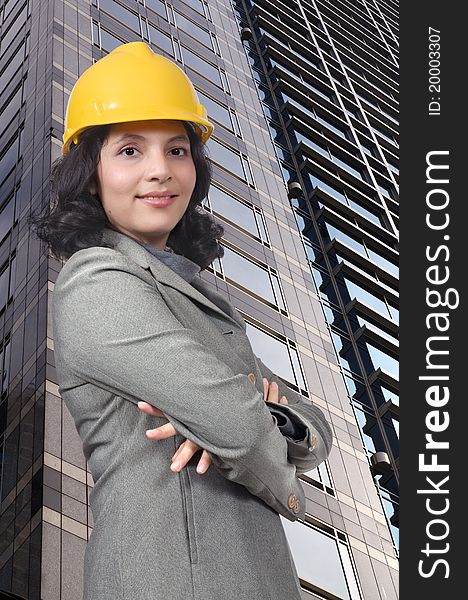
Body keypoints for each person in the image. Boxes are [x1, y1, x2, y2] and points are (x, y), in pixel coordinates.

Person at [29, 42, 333, 600]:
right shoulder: (95, 279)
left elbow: (307, 424)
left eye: (176, 149)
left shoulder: (194, 290)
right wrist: (243, 423)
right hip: (173, 577)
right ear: (90, 173)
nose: (159, 171)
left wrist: (263, 417)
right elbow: (234, 421)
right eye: (129, 151)